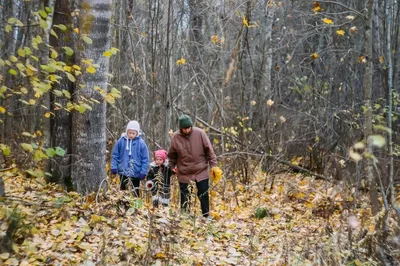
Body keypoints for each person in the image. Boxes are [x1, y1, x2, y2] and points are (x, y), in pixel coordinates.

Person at [168, 115, 217, 218]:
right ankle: (185, 216)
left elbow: (209, 150)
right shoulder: (175, 137)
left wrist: (213, 165)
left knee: (203, 193)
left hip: (201, 169)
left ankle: (206, 215)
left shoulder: (200, 133)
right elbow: (172, 155)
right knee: (185, 195)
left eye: (189, 127)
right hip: (184, 171)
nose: (187, 130)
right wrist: (172, 167)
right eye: (185, 128)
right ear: (181, 128)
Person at [111, 120, 149, 196]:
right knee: (123, 190)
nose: (131, 135)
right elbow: (115, 155)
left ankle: (136, 206)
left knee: (135, 191)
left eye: (133, 133)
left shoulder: (141, 143)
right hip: (123, 171)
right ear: (126, 131)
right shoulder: (121, 141)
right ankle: (122, 204)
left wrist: (143, 171)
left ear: (137, 133)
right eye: (129, 133)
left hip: (136, 172)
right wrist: (114, 166)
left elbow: (145, 159)